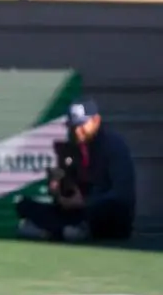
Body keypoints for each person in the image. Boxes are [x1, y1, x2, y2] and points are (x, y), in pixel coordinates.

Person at [16, 99, 136, 243]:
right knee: (25, 205)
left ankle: (59, 230)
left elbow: (121, 193)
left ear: (96, 121)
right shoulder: (71, 146)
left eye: (82, 125)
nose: (77, 131)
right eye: (73, 127)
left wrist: (85, 202)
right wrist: (57, 188)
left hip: (105, 213)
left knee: (107, 210)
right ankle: (66, 229)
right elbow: (68, 185)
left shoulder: (114, 146)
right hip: (77, 211)